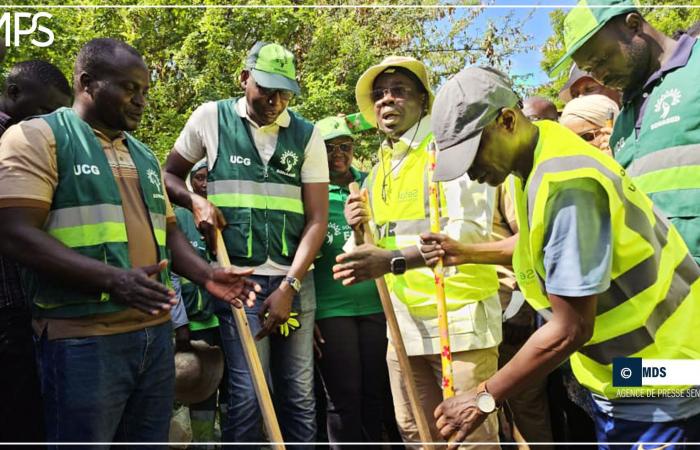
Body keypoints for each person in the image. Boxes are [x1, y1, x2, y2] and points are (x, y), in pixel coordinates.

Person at [421, 66, 700, 447]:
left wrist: (483, 397)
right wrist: (463, 252)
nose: (470, 173)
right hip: (627, 371)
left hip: (662, 371)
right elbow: (545, 246)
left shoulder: (568, 186)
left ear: (507, 120)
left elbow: (570, 328)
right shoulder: (539, 150)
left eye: (473, 153)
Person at [0, 38, 257, 444]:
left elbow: (168, 231)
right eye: (129, 88)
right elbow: (14, 233)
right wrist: (111, 279)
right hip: (82, 339)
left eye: (145, 92)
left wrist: (206, 275)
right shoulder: (36, 138)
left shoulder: (144, 155)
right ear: (87, 83)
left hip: (154, 340)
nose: (140, 101)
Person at [163, 41, 329, 445]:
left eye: (284, 92)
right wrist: (195, 199)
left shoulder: (307, 135)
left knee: (299, 395)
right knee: (246, 394)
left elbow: (317, 220)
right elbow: (168, 176)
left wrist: (290, 285)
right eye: (266, 89)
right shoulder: (211, 118)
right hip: (240, 281)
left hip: (294, 280)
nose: (275, 101)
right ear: (244, 79)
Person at [332, 56, 502, 448]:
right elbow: (367, 254)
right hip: (403, 329)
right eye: (380, 94)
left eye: (399, 91)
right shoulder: (377, 171)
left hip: (458, 323)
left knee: (470, 440)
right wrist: (358, 232)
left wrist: (390, 261)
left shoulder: (448, 150)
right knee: (418, 436)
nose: (387, 100)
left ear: (424, 101)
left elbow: (469, 234)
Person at [554, 0, 700, 265]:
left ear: (633, 25)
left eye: (602, 59)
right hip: (673, 292)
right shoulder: (622, 122)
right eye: (590, 69)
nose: (600, 76)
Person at [312, 116, 398, 447]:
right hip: (332, 309)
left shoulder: (372, 184)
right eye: (329, 148)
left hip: (377, 304)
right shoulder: (311, 190)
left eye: (345, 146)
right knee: (343, 397)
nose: (338, 154)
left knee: (375, 393)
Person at [0, 59, 71, 443]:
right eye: (45, 111)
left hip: (29, 308)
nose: (51, 122)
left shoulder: (40, 143)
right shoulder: (11, 141)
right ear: (13, 94)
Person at [171, 159, 230, 444]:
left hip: (227, 320)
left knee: (232, 386)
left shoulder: (225, 213)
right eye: (200, 178)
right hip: (194, 324)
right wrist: (179, 322)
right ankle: (204, 442)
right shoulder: (179, 217)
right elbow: (170, 274)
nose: (205, 184)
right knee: (200, 388)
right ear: (191, 182)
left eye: (210, 178)